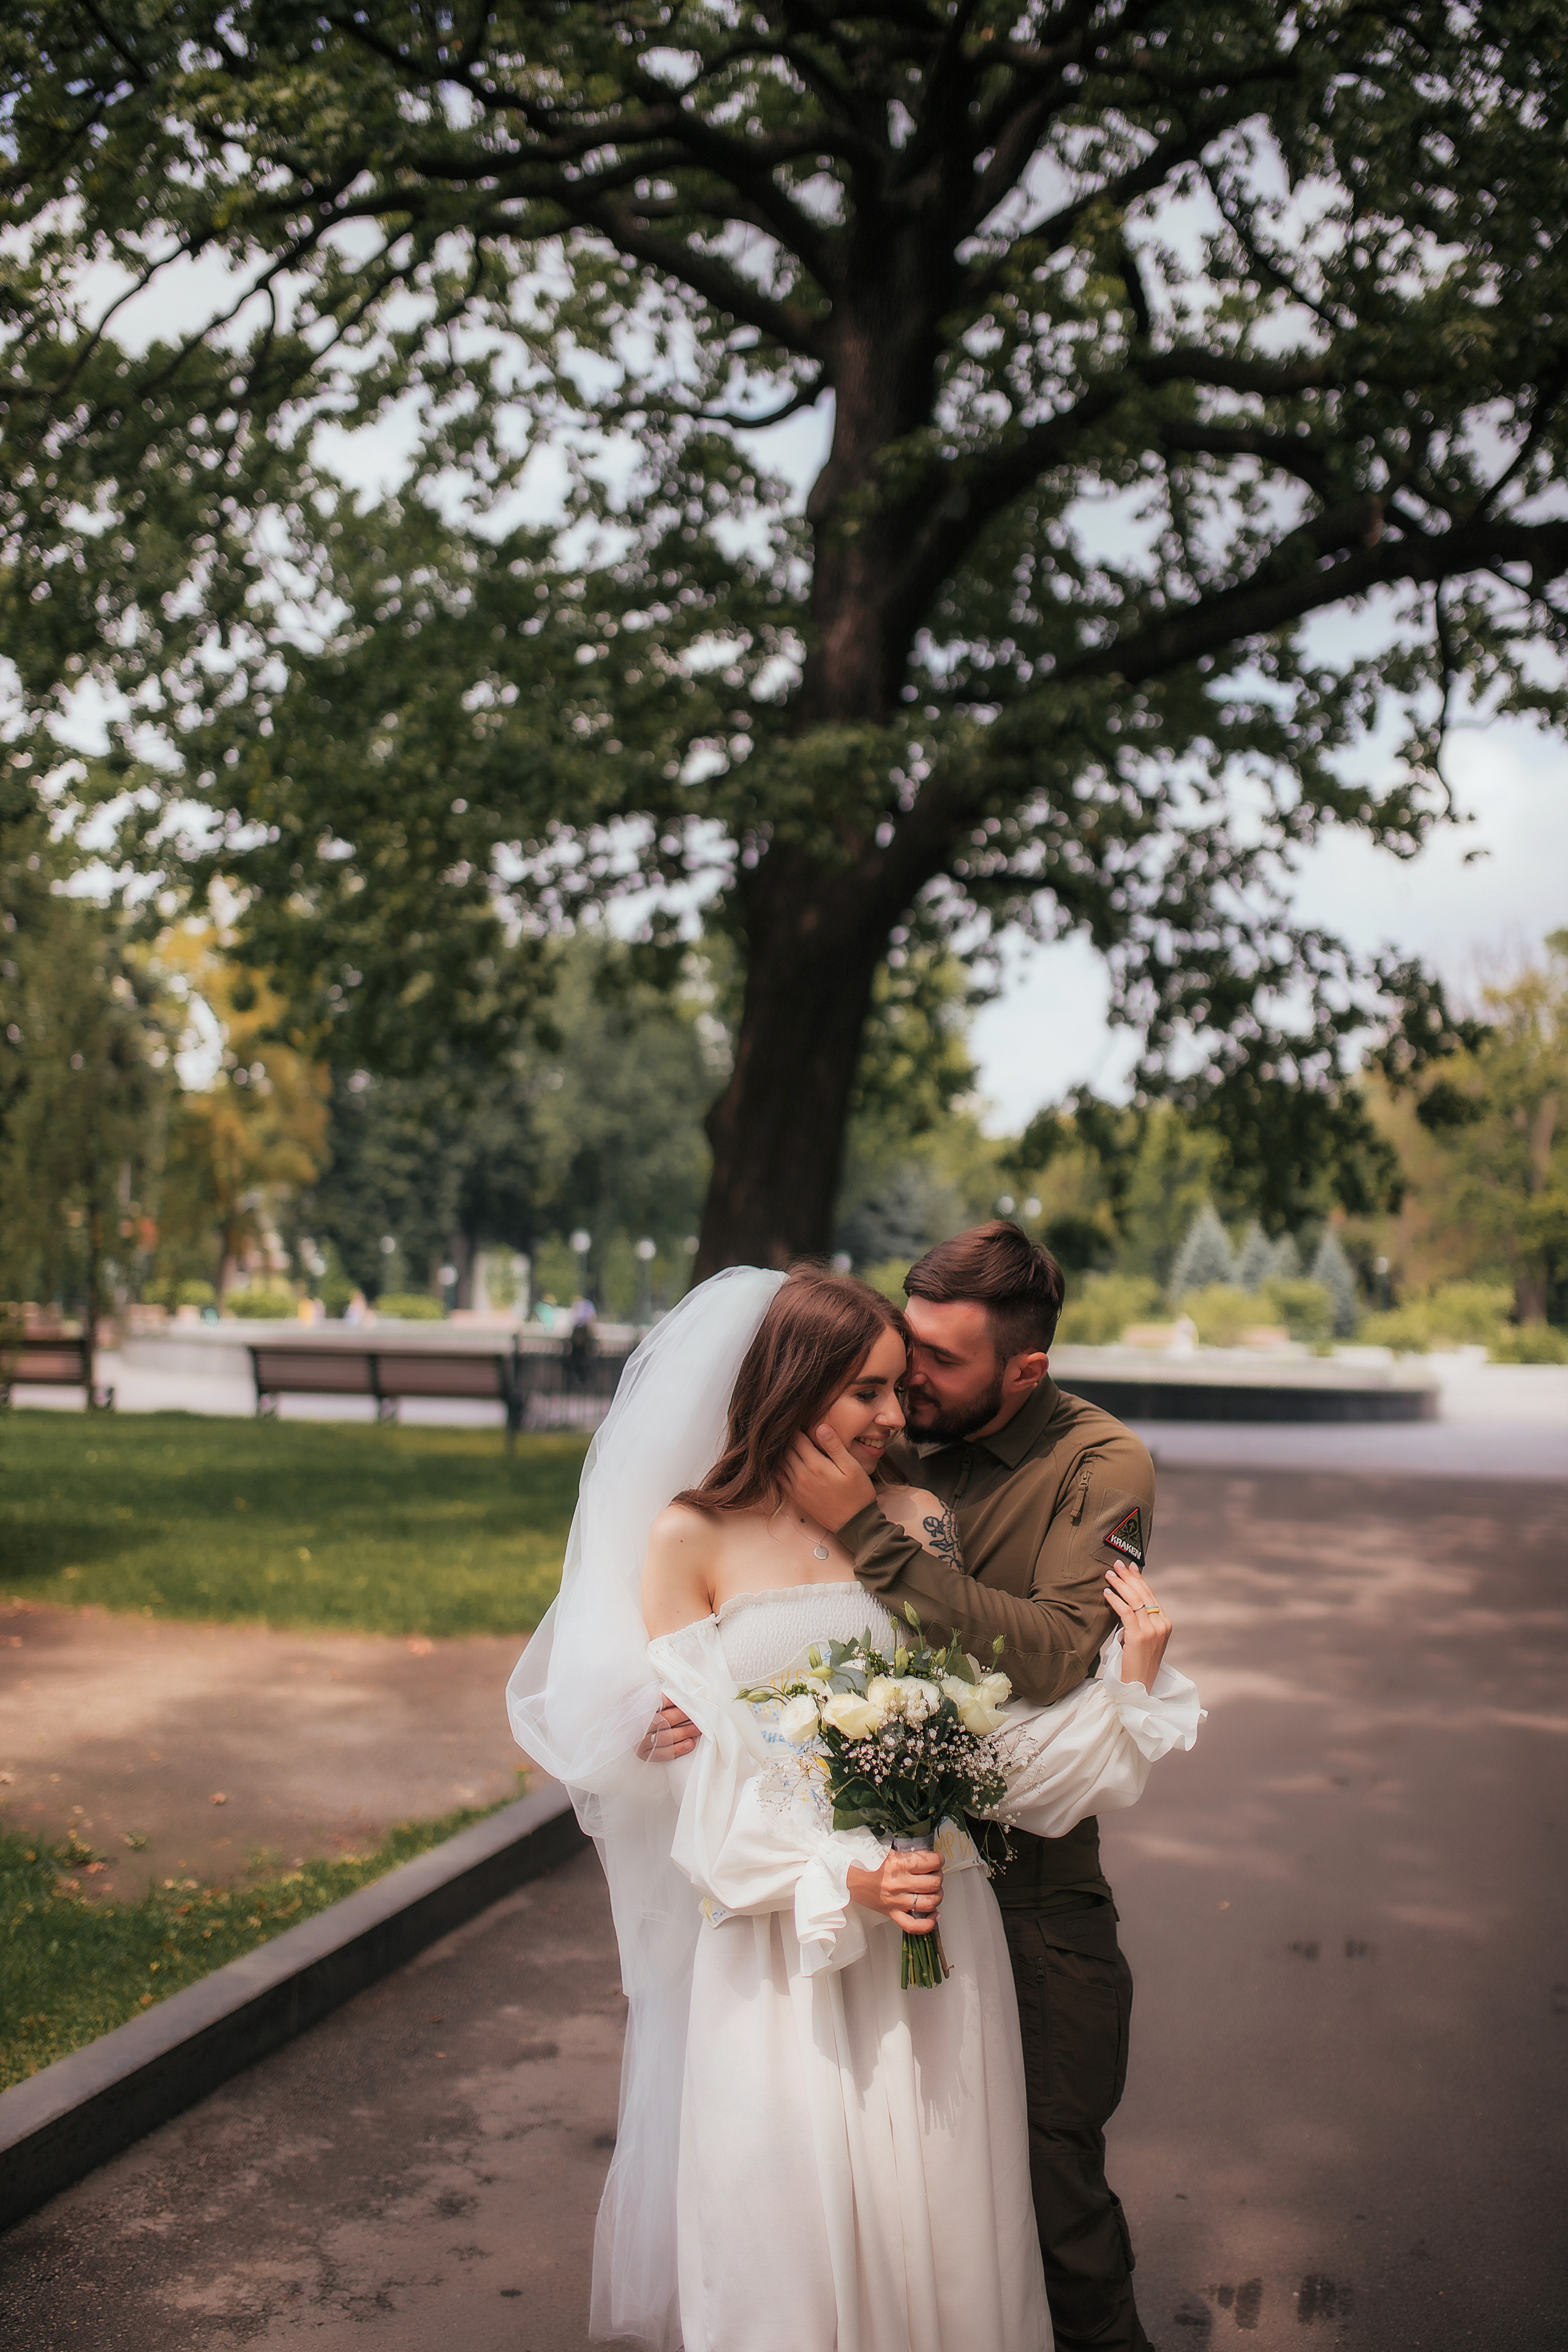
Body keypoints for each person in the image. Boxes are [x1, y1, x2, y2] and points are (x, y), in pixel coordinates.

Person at [509, 1264, 1199, 2352]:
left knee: (949, 2224)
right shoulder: (689, 1537)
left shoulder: (920, 1521)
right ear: (792, 1385)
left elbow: (974, 1726)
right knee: (793, 2227)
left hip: (936, 1924)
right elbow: (707, 1779)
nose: (897, 1414)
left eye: (903, 1386)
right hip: (785, 1939)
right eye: (869, 1390)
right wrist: (840, 1876)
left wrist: (1130, 1691)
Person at [780, 1223, 1162, 2352]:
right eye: (906, 1346)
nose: (908, 1386)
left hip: (1031, 1895)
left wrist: (865, 1533)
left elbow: (1050, 1653)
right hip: (876, 1890)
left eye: (940, 1362)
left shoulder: (1102, 1468)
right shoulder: (877, 1423)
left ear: (1026, 1369)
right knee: (907, 2219)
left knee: (1055, 2205)